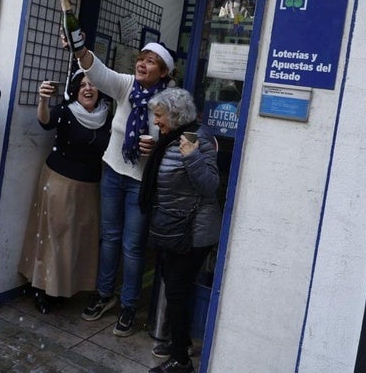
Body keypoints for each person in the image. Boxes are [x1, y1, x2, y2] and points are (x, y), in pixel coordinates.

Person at [71, 39, 175, 337]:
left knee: (132, 246)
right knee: (110, 238)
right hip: (113, 171)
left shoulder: (172, 99)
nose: (142, 64)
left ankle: (129, 305)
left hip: (141, 182)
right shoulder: (127, 86)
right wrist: (80, 48)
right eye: (141, 58)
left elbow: (176, 138)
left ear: (164, 71)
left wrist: (156, 146)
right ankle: (105, 295)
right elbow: (98, 70)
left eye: (151, 61)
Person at [140, 88, 220, 373]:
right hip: (172, 227)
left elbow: (210, 186)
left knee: (175, 291)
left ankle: (181, 361)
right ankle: (181, 344)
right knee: (175, 288)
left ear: (175, 115)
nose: (156, 121)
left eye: (159, 115)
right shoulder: (169, 139)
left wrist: (192, 158)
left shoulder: (197, 139)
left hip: (193, 231)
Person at [18, 71, 111, 314]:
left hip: (89, 187)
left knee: (77, 240)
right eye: (82, 85)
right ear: (75, 89)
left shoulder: (106, 117)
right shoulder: (67, 111)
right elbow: (46, 120)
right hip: (60, 181)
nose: (88, 89)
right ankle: (40, 287)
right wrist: (43, 101)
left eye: (92, 84)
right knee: (53, 237)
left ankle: (63, 288)